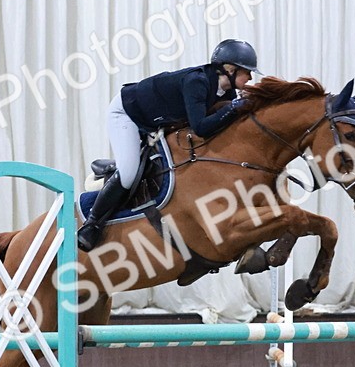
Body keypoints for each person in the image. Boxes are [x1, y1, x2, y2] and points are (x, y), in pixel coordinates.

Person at [76, 39, 260, 251]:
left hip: (155, 120)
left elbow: (219, 121)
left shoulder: (226, 91)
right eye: (247, 72)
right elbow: (201, 127)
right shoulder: (197, 82)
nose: (250, 77)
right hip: (127, 113)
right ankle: (92, 224)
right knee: (128, 173)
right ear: (230, 69)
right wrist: (234, 107)